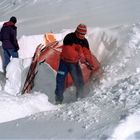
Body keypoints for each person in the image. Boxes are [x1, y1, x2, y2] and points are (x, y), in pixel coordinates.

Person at [55, 23, 94, 104]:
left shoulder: (84, 41)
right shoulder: (69, 37)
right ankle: (58, 100)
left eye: (84, 34)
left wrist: (90, 62)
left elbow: (87, 53)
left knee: (79, 81)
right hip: (64, 63)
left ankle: (80, 99)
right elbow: (68, 51)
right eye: (81, 33)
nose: (83, 35)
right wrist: (80, 55)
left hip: (74, 64)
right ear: (77, 31)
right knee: (60, 81)